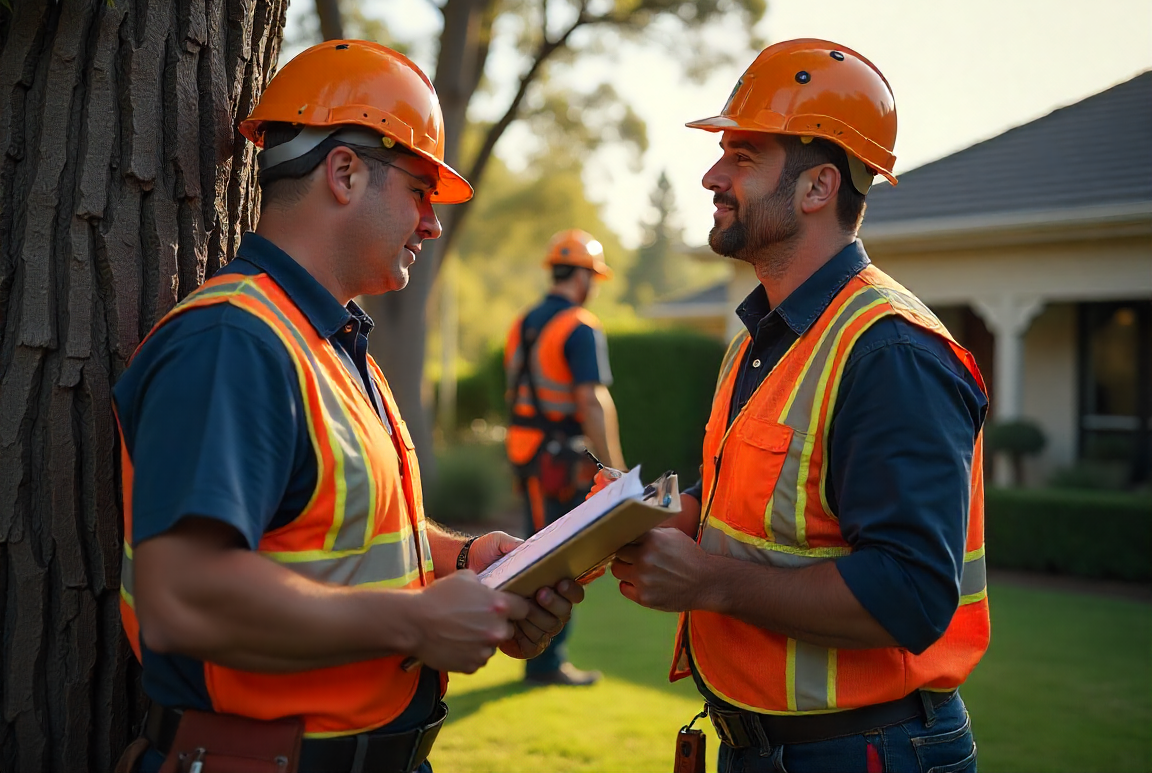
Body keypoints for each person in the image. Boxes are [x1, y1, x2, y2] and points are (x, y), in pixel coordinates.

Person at [113, 40, 584, 773]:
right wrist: (416, 623)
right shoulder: (232, 340)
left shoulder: (328, 340)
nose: (432, 223)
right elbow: (185, 597)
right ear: (344, 171)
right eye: (421, 190)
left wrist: (466, 560)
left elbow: (345, 539)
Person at [607, 39, 990, 772]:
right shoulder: (765, 335)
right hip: (773, 747)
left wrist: (708, 582)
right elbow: (755, 506)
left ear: (817, 188)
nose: (712, 175)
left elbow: (909, 595)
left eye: (743, 156)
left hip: (869, 751)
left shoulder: (891, 353)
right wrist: (646, 517)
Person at [502, 230, 626, 686]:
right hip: (559, 460)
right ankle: (545, 664)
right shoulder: (580, 326)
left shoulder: (523, 322)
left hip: (527, 453)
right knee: (558, 559)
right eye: (593, 276)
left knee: (541, 550)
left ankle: (543, 660)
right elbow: (592, 402)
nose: (594, 285)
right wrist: (615, 471)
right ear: (581, 276)